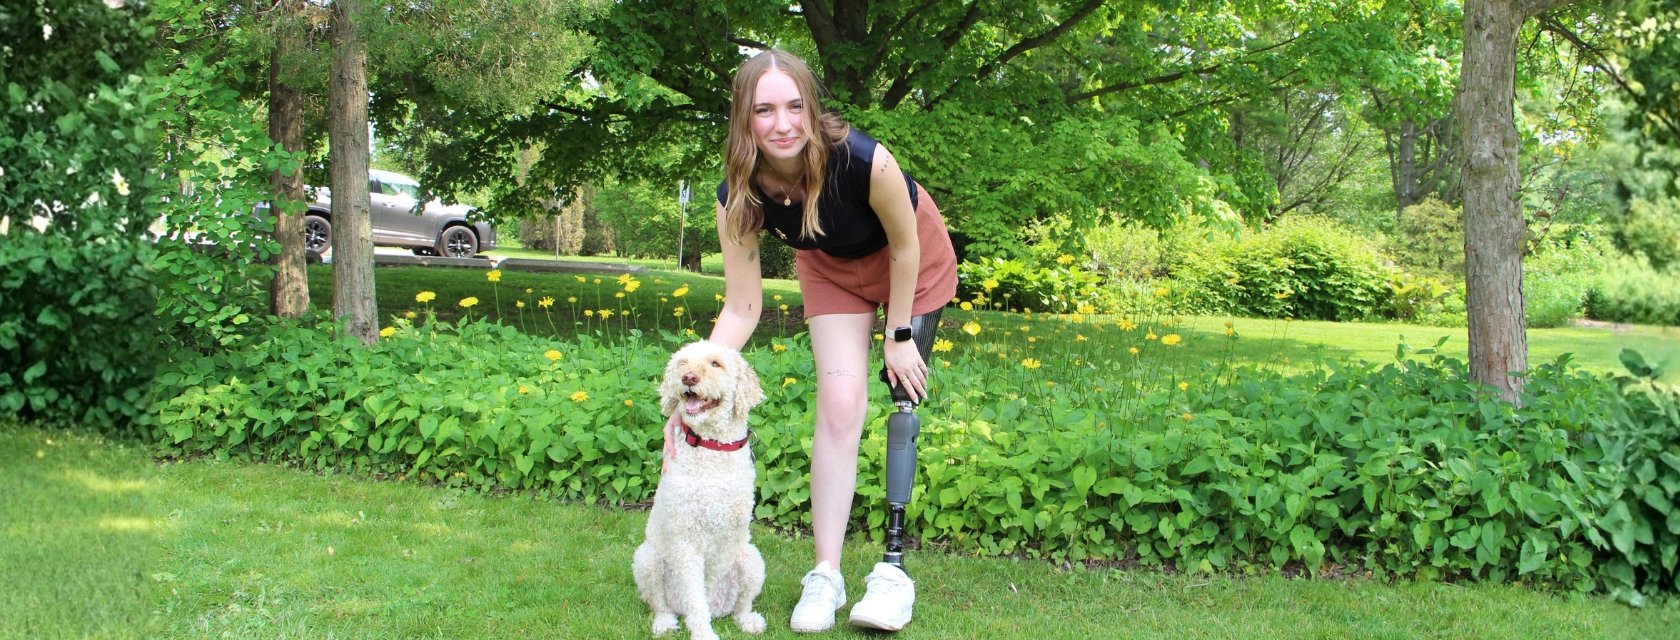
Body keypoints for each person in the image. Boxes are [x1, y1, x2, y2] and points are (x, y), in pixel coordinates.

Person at [661, 48, 957, 633]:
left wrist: (898, 335)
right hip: (829, 268)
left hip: (913, 267)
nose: (783, 123)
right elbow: (743, 305)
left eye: (796, 106)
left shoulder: (864, 160)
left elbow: (905, 247)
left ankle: (893, 572)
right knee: (840, 406)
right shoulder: (737, 194)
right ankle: (826, 574)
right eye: (765, 109)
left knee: (902, 395)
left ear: (811, 108)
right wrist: (695, 380)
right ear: (744, 118)